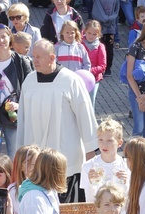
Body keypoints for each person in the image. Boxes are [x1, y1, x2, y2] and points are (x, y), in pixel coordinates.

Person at [18, 39, 97, 204]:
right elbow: (22, 119)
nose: (35, 60)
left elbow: (86, 115)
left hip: (66, 155)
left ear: (52, 58)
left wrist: (90, 153)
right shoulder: (29, 81)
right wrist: (21, 151)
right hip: (36, 157)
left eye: (39, 57)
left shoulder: (70, 80)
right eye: (34, 56)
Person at [0, 24, 32, 159]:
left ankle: (15, 180)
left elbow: (30, 88)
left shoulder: (22, 61)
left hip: (14, 115)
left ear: (10, 38)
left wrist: (19, 104)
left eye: (4, 37)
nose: (1, 41)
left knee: (15, 154)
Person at [80, 118, 127, 202]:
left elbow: (130, 199)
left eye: (109, 141)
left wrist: (127, 183)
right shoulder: (88, 166)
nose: (104, 145)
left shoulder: (126, 166)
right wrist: (91, 184)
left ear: (119, 143)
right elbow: (89, 201)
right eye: (100, 140)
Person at [82, 20, 106, 107]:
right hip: (79, 77)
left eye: (94, 34)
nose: (91, 36)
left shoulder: (100, 46)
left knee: (90, 103)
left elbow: (102, 66)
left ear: (99, 34)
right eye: (89, 33)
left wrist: (88, 71)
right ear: (85, 31)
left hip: (93, 79)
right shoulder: (79, 44)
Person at [90, 0, 118, 76]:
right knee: (98, 47)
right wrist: (105, 18)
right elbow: (97, 10)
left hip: (111, 28)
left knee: (109, 48)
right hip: (99, 27)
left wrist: (110, 18)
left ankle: (108, 67)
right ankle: (98, 66)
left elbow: (116, 11)